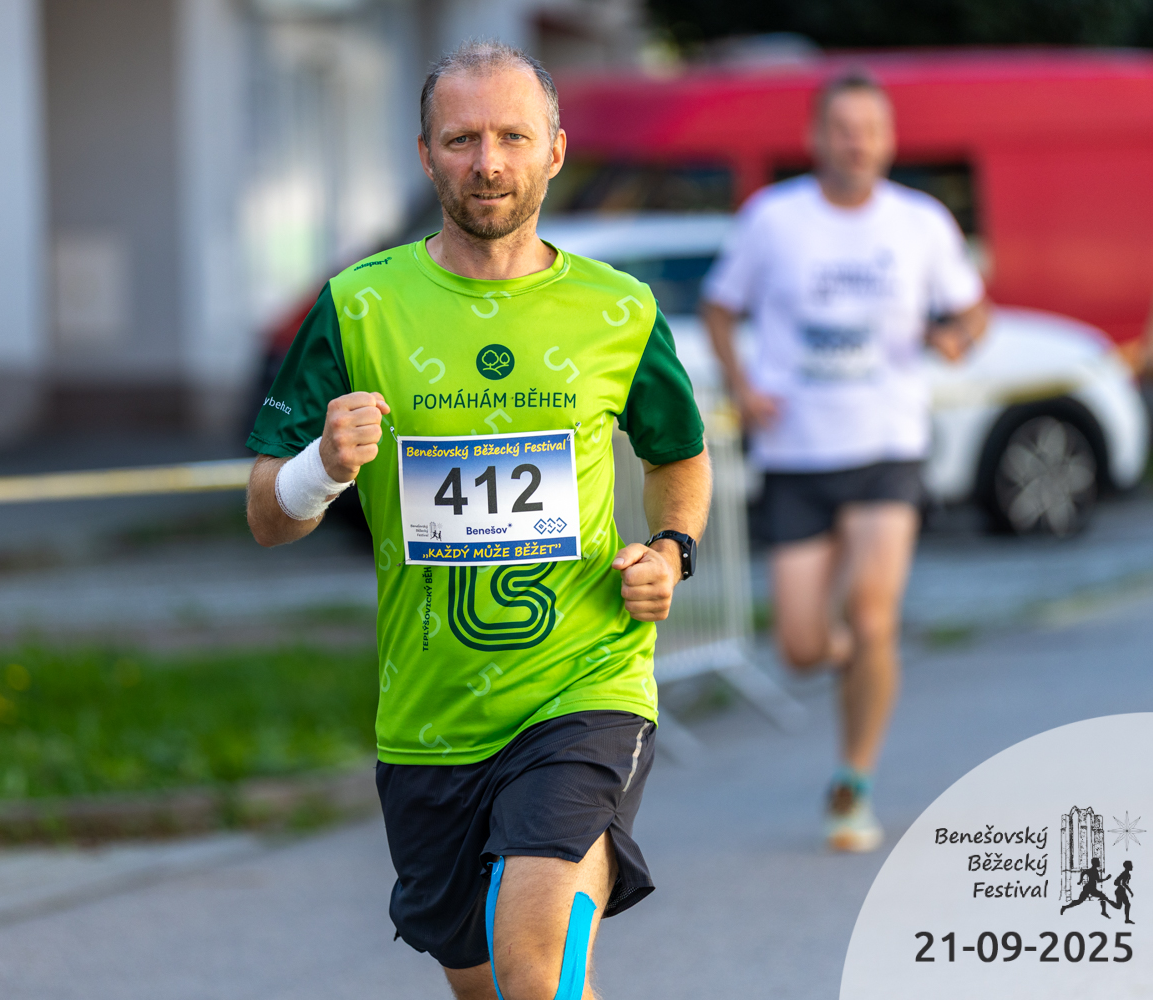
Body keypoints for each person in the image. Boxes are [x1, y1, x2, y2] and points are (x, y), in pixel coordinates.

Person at [246, 39, 711, 1000]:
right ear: (426, 155)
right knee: (484, 984)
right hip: (430, 717)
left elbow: (678, 455)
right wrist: (321, 469)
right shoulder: (357, 306)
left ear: (556, 150)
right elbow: (265, 516)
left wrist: (671, 549)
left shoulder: (619, 311)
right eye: (461, 139)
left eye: (512, 137)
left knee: (534, 970)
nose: (487, 162)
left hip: (584, 684)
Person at [700, 70, 990, 853]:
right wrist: (743, 386)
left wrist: (957, 337)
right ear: (814, 137)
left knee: (871, 614)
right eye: (842, 128)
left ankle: (853, 781)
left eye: (871, 129)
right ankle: (855, 658)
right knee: (801, 646)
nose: (857, 143)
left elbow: (973, 309)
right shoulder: (773, 219)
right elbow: (720, 308)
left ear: (889, 141)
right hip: (797, 452)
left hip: (887, 445)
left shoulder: (921, 222)